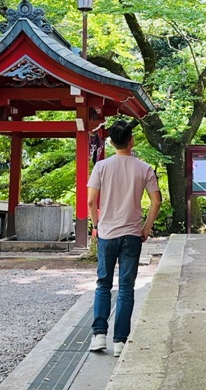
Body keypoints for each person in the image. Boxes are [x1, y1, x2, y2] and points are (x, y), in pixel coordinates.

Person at [87, 120, 162, 358]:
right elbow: (156, 201)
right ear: (132, 140)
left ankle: (99, 335)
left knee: (103, 284)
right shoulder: (145, 168)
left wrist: (96, 225)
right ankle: (120, 341)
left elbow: (91, 201)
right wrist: (146, 228)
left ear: (110, 142)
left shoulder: (101, 167)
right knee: (126, 287)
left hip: (107, 234)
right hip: (131, 234)